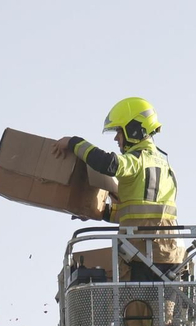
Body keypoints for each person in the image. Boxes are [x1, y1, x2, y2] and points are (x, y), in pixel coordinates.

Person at [54, 98, 182, 281]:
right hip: (169, 255)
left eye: (119, 131)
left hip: (143, 256)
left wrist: (74, 142)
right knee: (162, 309)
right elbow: (139, 215)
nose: (116, 138)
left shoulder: (138, 160)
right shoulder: (166, 167)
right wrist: (98, 211)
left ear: (133, 130)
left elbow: (109, 163)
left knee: (133, 309)